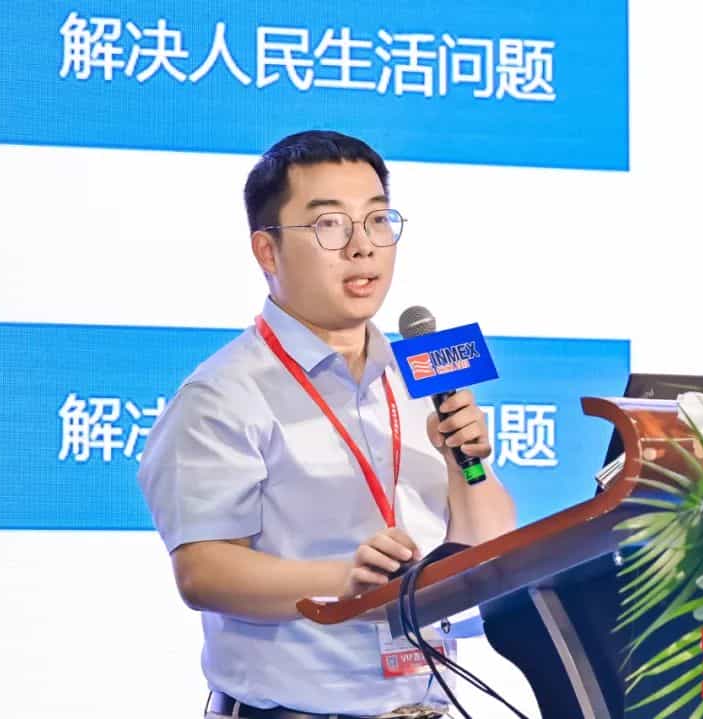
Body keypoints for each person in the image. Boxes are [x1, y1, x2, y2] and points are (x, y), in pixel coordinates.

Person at [138, 130, 517, 718]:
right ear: (267, 252)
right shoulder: (224, 394)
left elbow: (487, 547)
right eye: (330, 225)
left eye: (377, 220)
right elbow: (202, 571)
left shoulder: (418, 377)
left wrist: (462, 464)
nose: (362, 248)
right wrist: (344, 581)